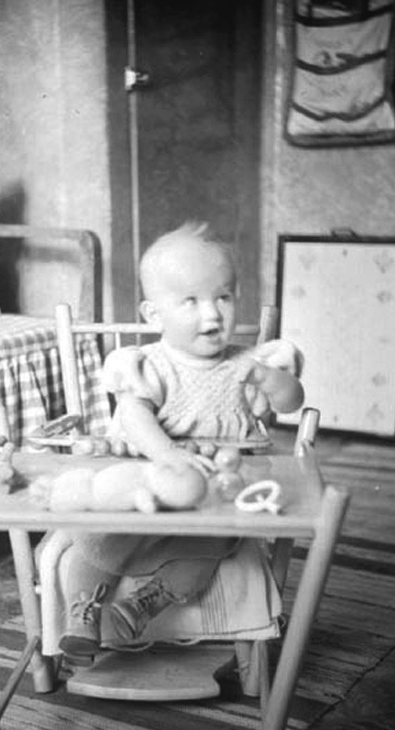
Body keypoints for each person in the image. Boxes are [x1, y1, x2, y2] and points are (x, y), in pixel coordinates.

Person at [59, 221, 304, 665]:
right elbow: (133, 415)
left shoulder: (247, 365)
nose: (212, 314)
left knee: (205, 556)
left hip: (210, 503)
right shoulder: (150, 365)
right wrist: (168, 455)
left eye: (223, 297)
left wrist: (272, 380)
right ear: (154, 315)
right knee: (95, 544)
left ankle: (143, 604)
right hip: (146, 490)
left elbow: (291, 402)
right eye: (191, 301)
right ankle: (82, 613)